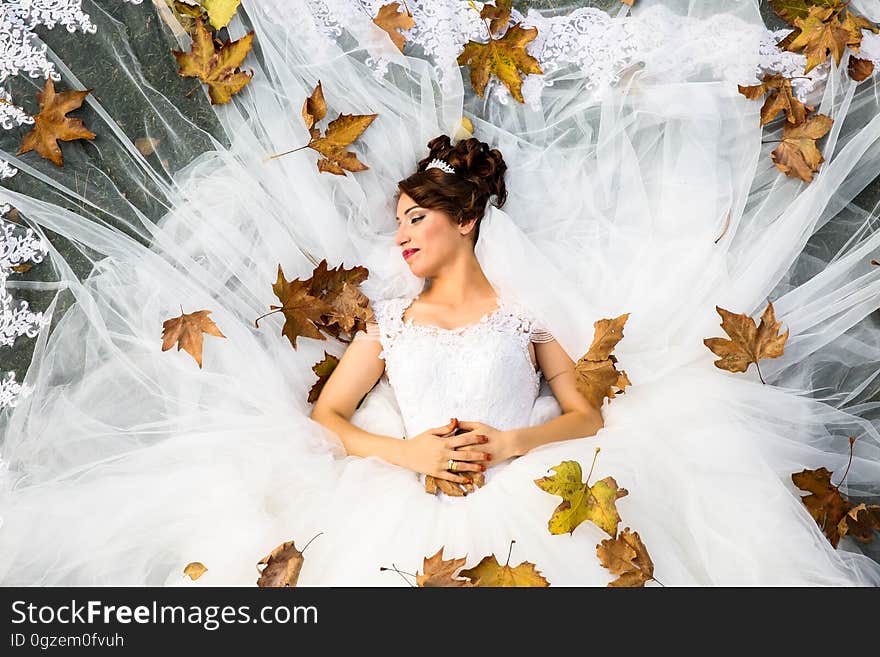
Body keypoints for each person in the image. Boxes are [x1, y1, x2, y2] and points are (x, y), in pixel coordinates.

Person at [1, 0, 880, 586]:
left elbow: (588, 416)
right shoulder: (389, 321)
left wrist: (514, 438)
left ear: (465, 223)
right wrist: (410, 455)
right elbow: (330, 420)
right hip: (404, 493)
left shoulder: (523, 312)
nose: (403, 233)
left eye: (418, 216)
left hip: (528, 478)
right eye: (399, 220)